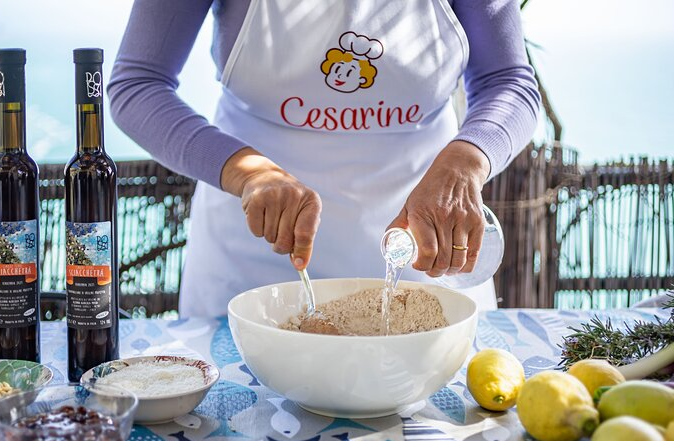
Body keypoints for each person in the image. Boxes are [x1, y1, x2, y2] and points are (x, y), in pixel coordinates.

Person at [109, 0, 541, 318]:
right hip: (254, 255)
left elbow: (508, 82)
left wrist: (464, 164)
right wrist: (247, 172)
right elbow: (138, 84)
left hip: (420, 250)